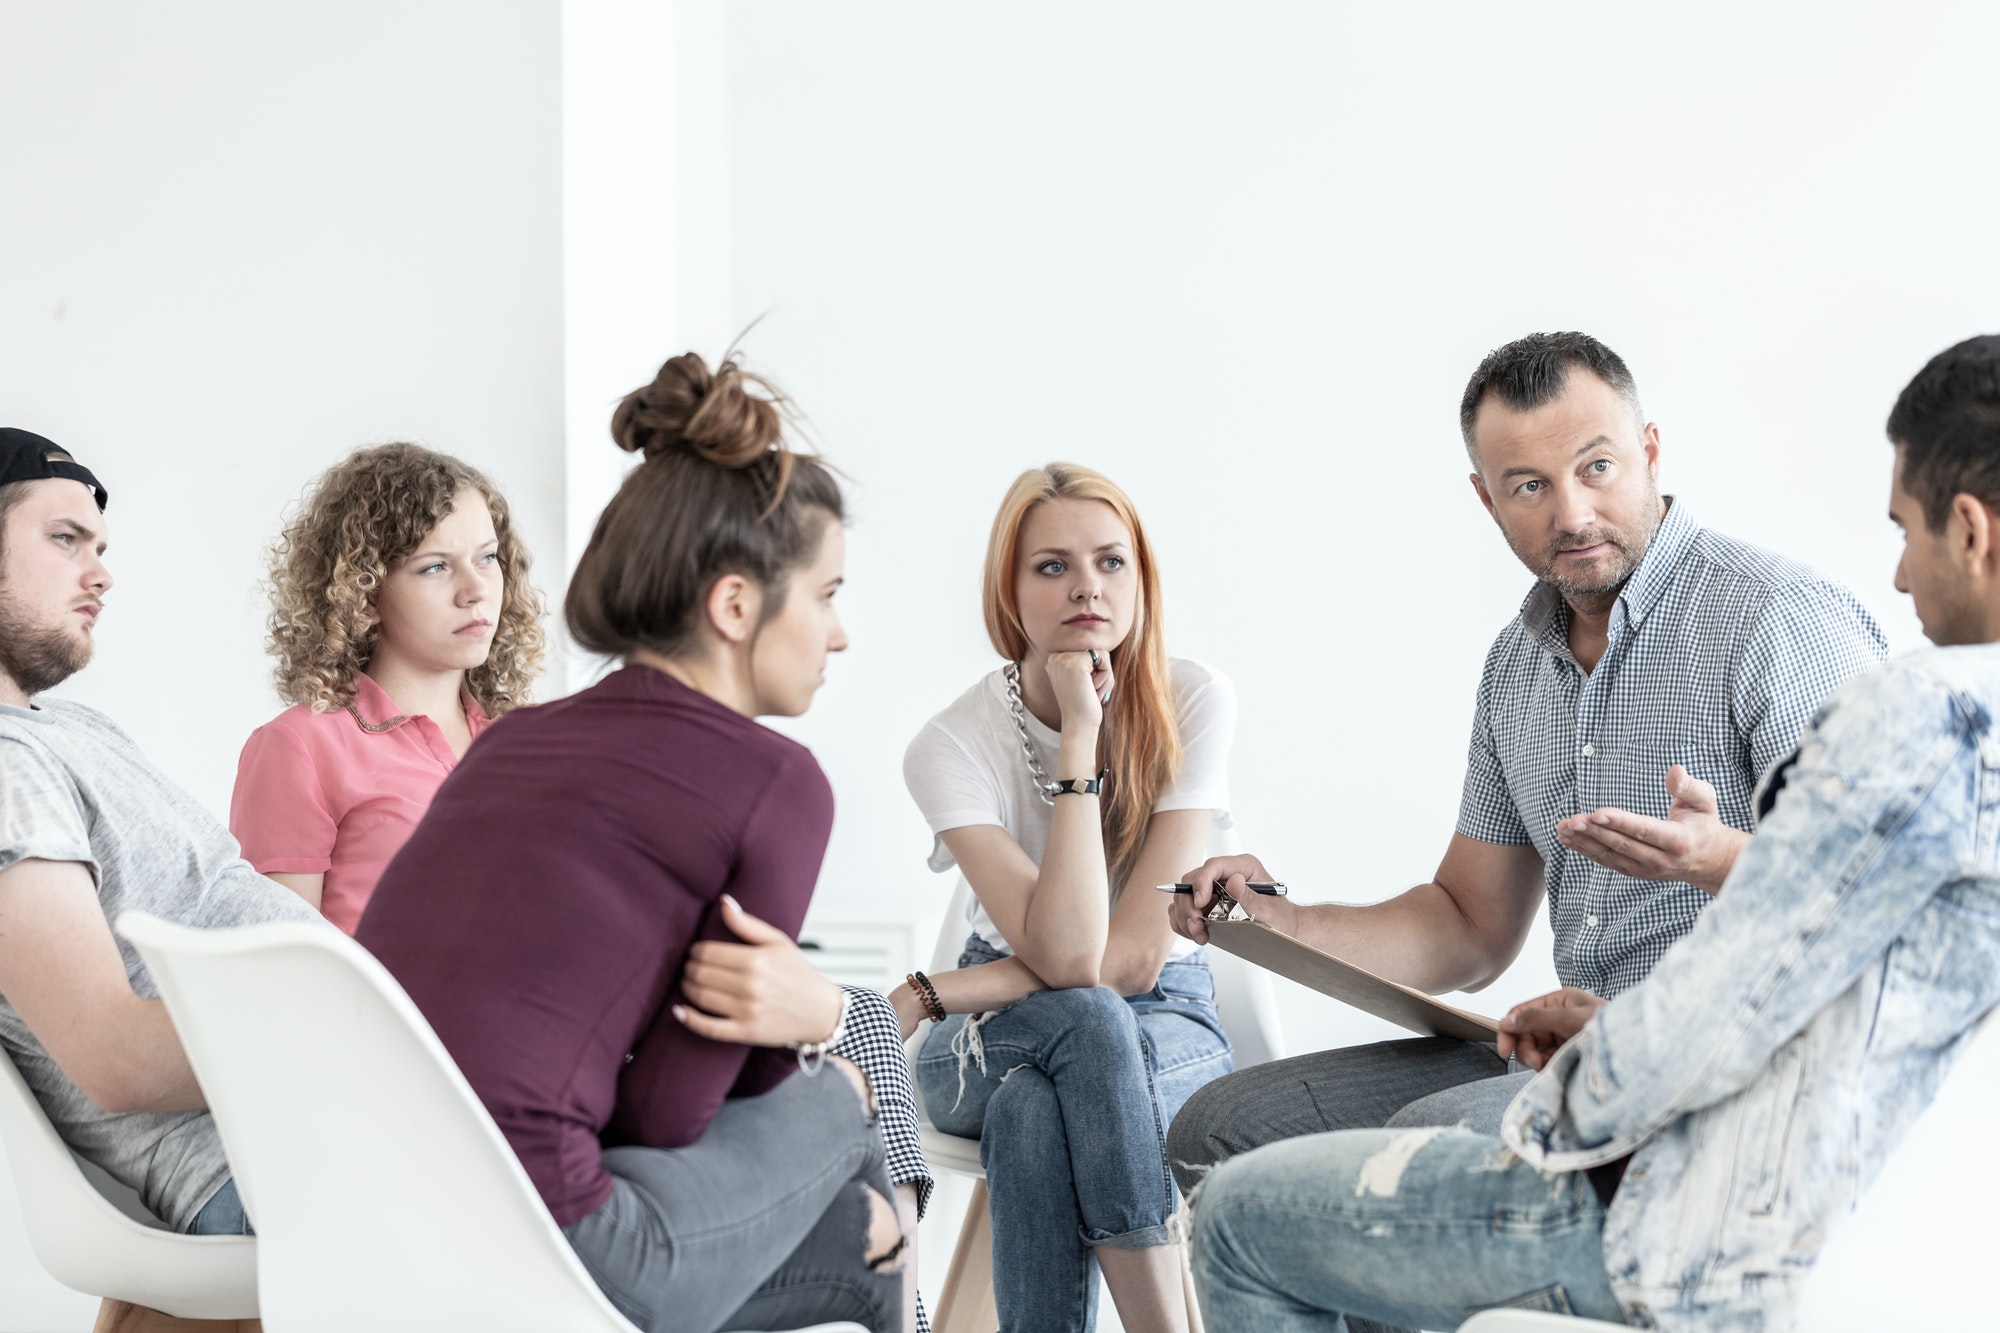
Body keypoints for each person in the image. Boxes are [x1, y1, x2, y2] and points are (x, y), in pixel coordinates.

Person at [1188, 335, 2000, 1331]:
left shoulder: (1803, 636)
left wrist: (1619, 1025)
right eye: (1527, 485)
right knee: (1221, 1128)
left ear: (1650, 451)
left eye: (1596, 469)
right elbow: (1467, 925)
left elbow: (1825, 938)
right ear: (1484, 498)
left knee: (1395, 1154)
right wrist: (1276, 919)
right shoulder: (1515, 663)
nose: (1568, 513)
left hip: (1700, 1130)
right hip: (1586, 1040)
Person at [357, 353, 908, 1333]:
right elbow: (664, 1117)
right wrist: (806, 1024)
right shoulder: (775, 782)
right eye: (825, 596)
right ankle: (885, 1251)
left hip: (370, 1226)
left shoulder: (512, 737)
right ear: (735, 606)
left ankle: (868, 1241)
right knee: (858, 1078)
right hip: (555, 1255)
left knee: (847, 1226)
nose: (838, 636)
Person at [897, 463, 1237, 1333]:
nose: (1087, 586)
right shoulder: (949, 745)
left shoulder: (1192, 698)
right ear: (1008, 591)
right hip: (997, 1030)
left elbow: (1123, 963)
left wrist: (932, 991)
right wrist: (1079, 740)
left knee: (1035, 1106)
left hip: (1164, 1012)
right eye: (1052, 566)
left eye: (1111, 562)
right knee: (1083, 1026)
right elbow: (1068, 960)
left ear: (1141, 579)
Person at [0, 428, 321, 1241]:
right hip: (285, 1158)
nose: (102, 573)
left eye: (100, 545)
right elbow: (114, 1055)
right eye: (65, 539)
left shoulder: (69, 727)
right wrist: (369, 1030)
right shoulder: (7, 770)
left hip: (342, 1114)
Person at [230, 443, 546, 933]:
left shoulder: (524, 741)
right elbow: (281, 974)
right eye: (435, 567)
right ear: (364, 594)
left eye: (487, 558)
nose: (476, 590)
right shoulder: (300, 747)